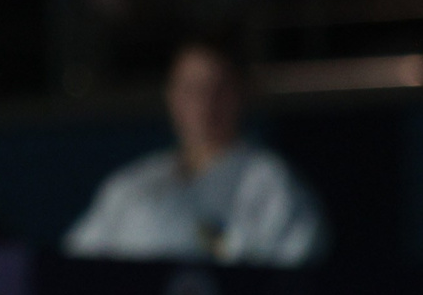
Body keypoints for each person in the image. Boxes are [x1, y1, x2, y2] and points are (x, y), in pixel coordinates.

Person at [63, 37, 327, 267]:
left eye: (217, 89)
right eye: (190, 89)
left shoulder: (272, 183)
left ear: (241, 94)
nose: (204, 103)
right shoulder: (130, 185)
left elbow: (295, 267)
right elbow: (77, 262)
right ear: (171, 96)